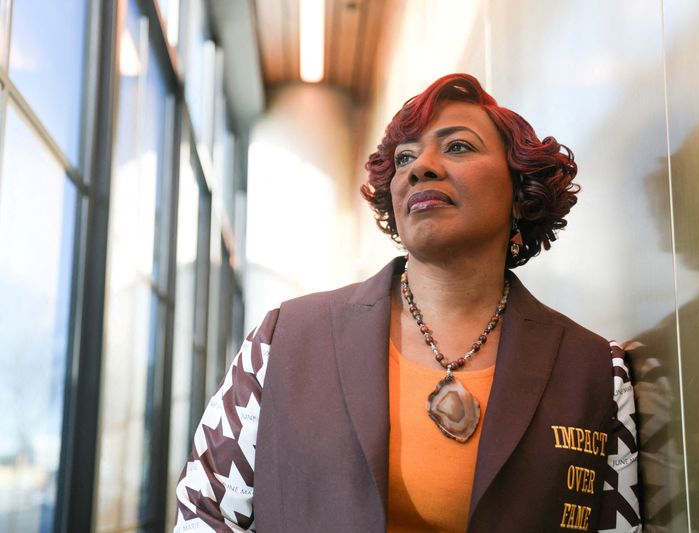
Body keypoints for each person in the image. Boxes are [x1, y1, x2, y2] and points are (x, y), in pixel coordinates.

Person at [174, 73, 641, 532]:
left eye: (458, 146)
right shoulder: (283, 340)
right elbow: (203, 510)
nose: (420, 167)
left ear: (521, 192)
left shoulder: (596, 373)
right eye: (404, 158)